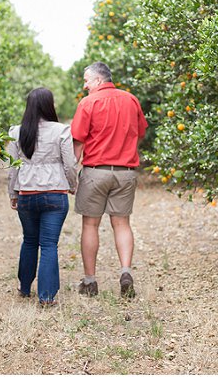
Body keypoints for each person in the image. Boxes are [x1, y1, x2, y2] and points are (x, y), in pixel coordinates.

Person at [70, 62, 148, 298]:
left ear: (98, 81)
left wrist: (71, 172)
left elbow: (78, 141)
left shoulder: (88, 103)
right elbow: (140, 132)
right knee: (122, 223)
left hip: (96, 170)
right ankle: (125, 271)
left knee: (90, 224)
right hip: (125, 172)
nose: (85, 85)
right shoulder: (131, 100)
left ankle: (90, 281)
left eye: (86, 81)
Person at [7, 87, 78, 306]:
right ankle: (46, 297)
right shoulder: (62, 131)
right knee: (49, 244)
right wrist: (73, 185)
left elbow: (13, 168)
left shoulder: (17, 132)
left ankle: (25, 287)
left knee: (29, 240)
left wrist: (13, 193)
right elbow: (69, 164)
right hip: (55, 195)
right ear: (50, 105)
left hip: (27, 194)